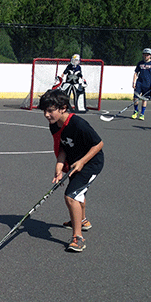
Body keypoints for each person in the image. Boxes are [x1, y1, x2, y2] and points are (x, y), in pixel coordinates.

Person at [39, 89, 104, 252]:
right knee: (78, 193)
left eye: (50, 110)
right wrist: (59, 167)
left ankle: (78, 238)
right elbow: (63, 148)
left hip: (91, 163)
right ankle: (82, 221)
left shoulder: (78, 124)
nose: (46, 114)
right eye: (44, 111)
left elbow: (98, 144)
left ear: (63, 108)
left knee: (71, 196)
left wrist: (82, 162)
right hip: (75, 162)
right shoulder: (54, 125)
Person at [132, 48, 151, 121]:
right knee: (135, 98)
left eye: (147, 55)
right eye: (145, 55)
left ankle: (142, 114)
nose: (146, 56)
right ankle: (135, 111)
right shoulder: (140, 63)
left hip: (147, 84)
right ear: (143, 55)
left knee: (144, 99)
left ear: (150, 56)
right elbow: (136, 73)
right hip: (139, 83)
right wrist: (133, 82)